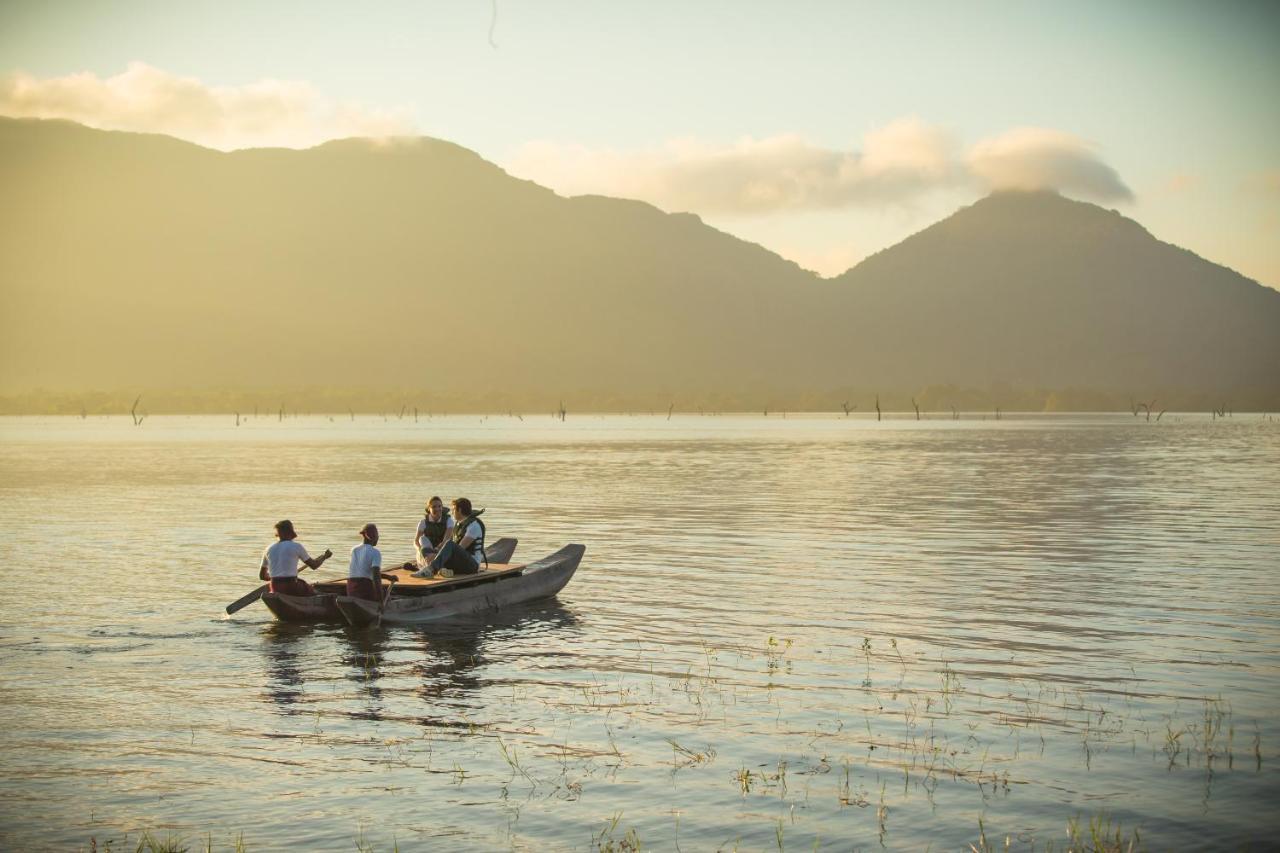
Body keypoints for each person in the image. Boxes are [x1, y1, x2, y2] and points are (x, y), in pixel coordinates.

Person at [413, 497, 486, 578]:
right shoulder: (459, 524)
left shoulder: (474, 526)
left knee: (450, 544)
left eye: (454, 509)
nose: (452, 512)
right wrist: (435, 555)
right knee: (425, 550)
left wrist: (437, 555)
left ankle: (430, 570)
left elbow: (460, 547)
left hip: (472, 565)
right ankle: (436, 568)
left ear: (460, 510)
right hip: (460, 562)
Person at [259, 519, 332, 596]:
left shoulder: (268, 549)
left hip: (275, 587)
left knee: (302, 585)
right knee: (317, 593)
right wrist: (324, 557)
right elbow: (314, 565)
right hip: (292, 586)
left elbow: (262, 576)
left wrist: (277, 577)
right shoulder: (296, 546)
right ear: (290, 532)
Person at [412, 496, 455, 570]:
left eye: (439, 506)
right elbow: (415, 541)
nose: (437, 509)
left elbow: (446, 540)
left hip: (441, 550)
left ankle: (426, 567)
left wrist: (436, 550)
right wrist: (420, 550)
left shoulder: (449, 521)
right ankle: (427, 565)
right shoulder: (423, 522)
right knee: (422, 539)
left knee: (434, 554)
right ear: (429, 509)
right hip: (426, 552)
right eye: (434, 507)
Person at [346, 523, 384, 603]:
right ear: (375, 537)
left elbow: (364, 571)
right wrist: (381, 600)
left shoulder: (354, 550)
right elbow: (376, 577)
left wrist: (388, 577)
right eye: (377, 536)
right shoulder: (375, 553)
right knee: (385, 593)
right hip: (364, 590)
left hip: (351, 589)